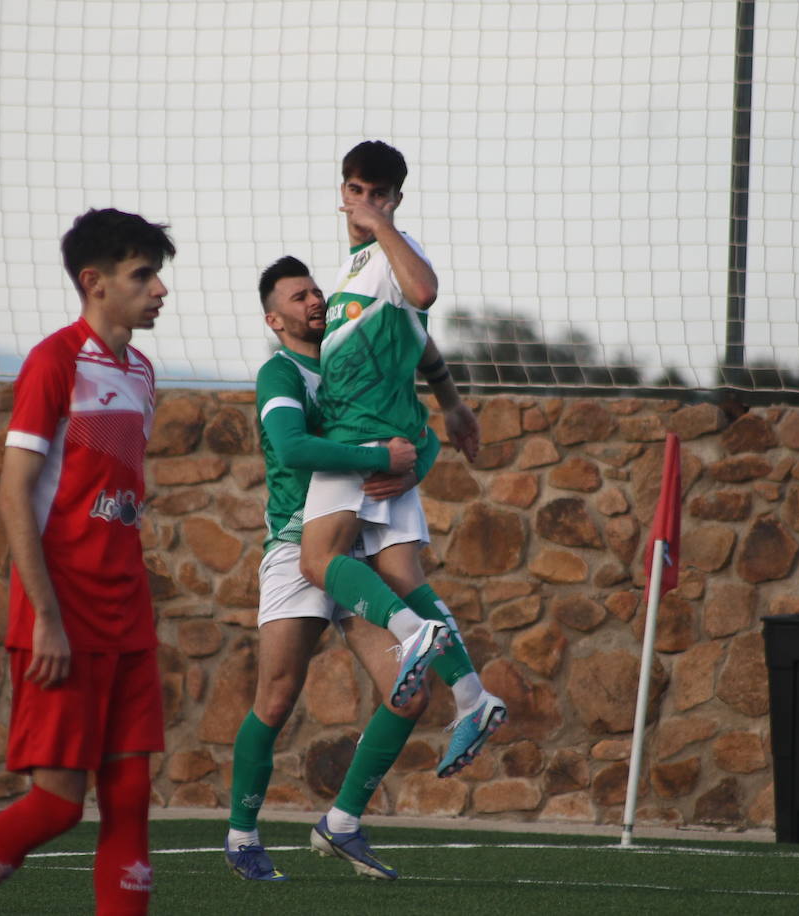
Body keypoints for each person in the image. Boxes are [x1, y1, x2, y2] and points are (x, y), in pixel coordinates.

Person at [0, 209, 175, 916]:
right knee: (55, 805)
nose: (160, 288)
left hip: (127, 613)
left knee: (132, 800)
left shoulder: (140, 370)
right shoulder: (54, 362)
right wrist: (45, 617)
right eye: (143, 274)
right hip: (64, 615)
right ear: (94, 283)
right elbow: (13, 491)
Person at [225, 256, 478, 882]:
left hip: (358, 550)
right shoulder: (280, 372)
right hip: (297, 546)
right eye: (298, 296)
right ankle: (241, 834)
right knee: (278, 696)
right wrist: (372, 453)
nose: (314, 300)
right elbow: (289, 446)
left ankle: (340, 825)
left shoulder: (350, 359)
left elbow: (414, 436)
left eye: (316, 289)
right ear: (273, 318)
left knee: (410, 693)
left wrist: (411, 464)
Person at [299, 141, 508, 785]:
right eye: (355, 191)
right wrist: (453, 403)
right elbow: (416, 337)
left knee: (317, 560)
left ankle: (412, 635)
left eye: (378, 194)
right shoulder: (359, 265)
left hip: (363, 437)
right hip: (390, 428)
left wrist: (384, 225)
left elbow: (426, 291)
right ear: (342, 189)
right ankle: (474, 698)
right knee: (397, 570)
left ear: (394, 198)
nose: (363, 203)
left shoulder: (392, 249)